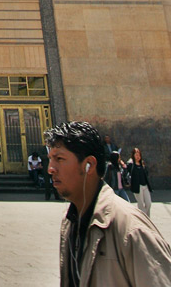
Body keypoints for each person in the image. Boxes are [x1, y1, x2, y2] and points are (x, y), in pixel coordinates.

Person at [46, 120, 171, 286]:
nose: (50, 168)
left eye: (59, 159)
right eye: (50, 159)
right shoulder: (70, 221)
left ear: (89, 165)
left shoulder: (131, 229)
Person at [127, 147, 154, 217]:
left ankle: (146, 219)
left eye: (139, 154)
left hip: (145, 186)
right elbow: (128, 172)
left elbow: (146, 174)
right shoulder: (131, 164)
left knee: (148, 203)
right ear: (133, 155)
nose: (138, 156)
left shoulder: (142, 164)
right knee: (141, 205)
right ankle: (145, 220)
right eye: (136, 154)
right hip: (137, 187)